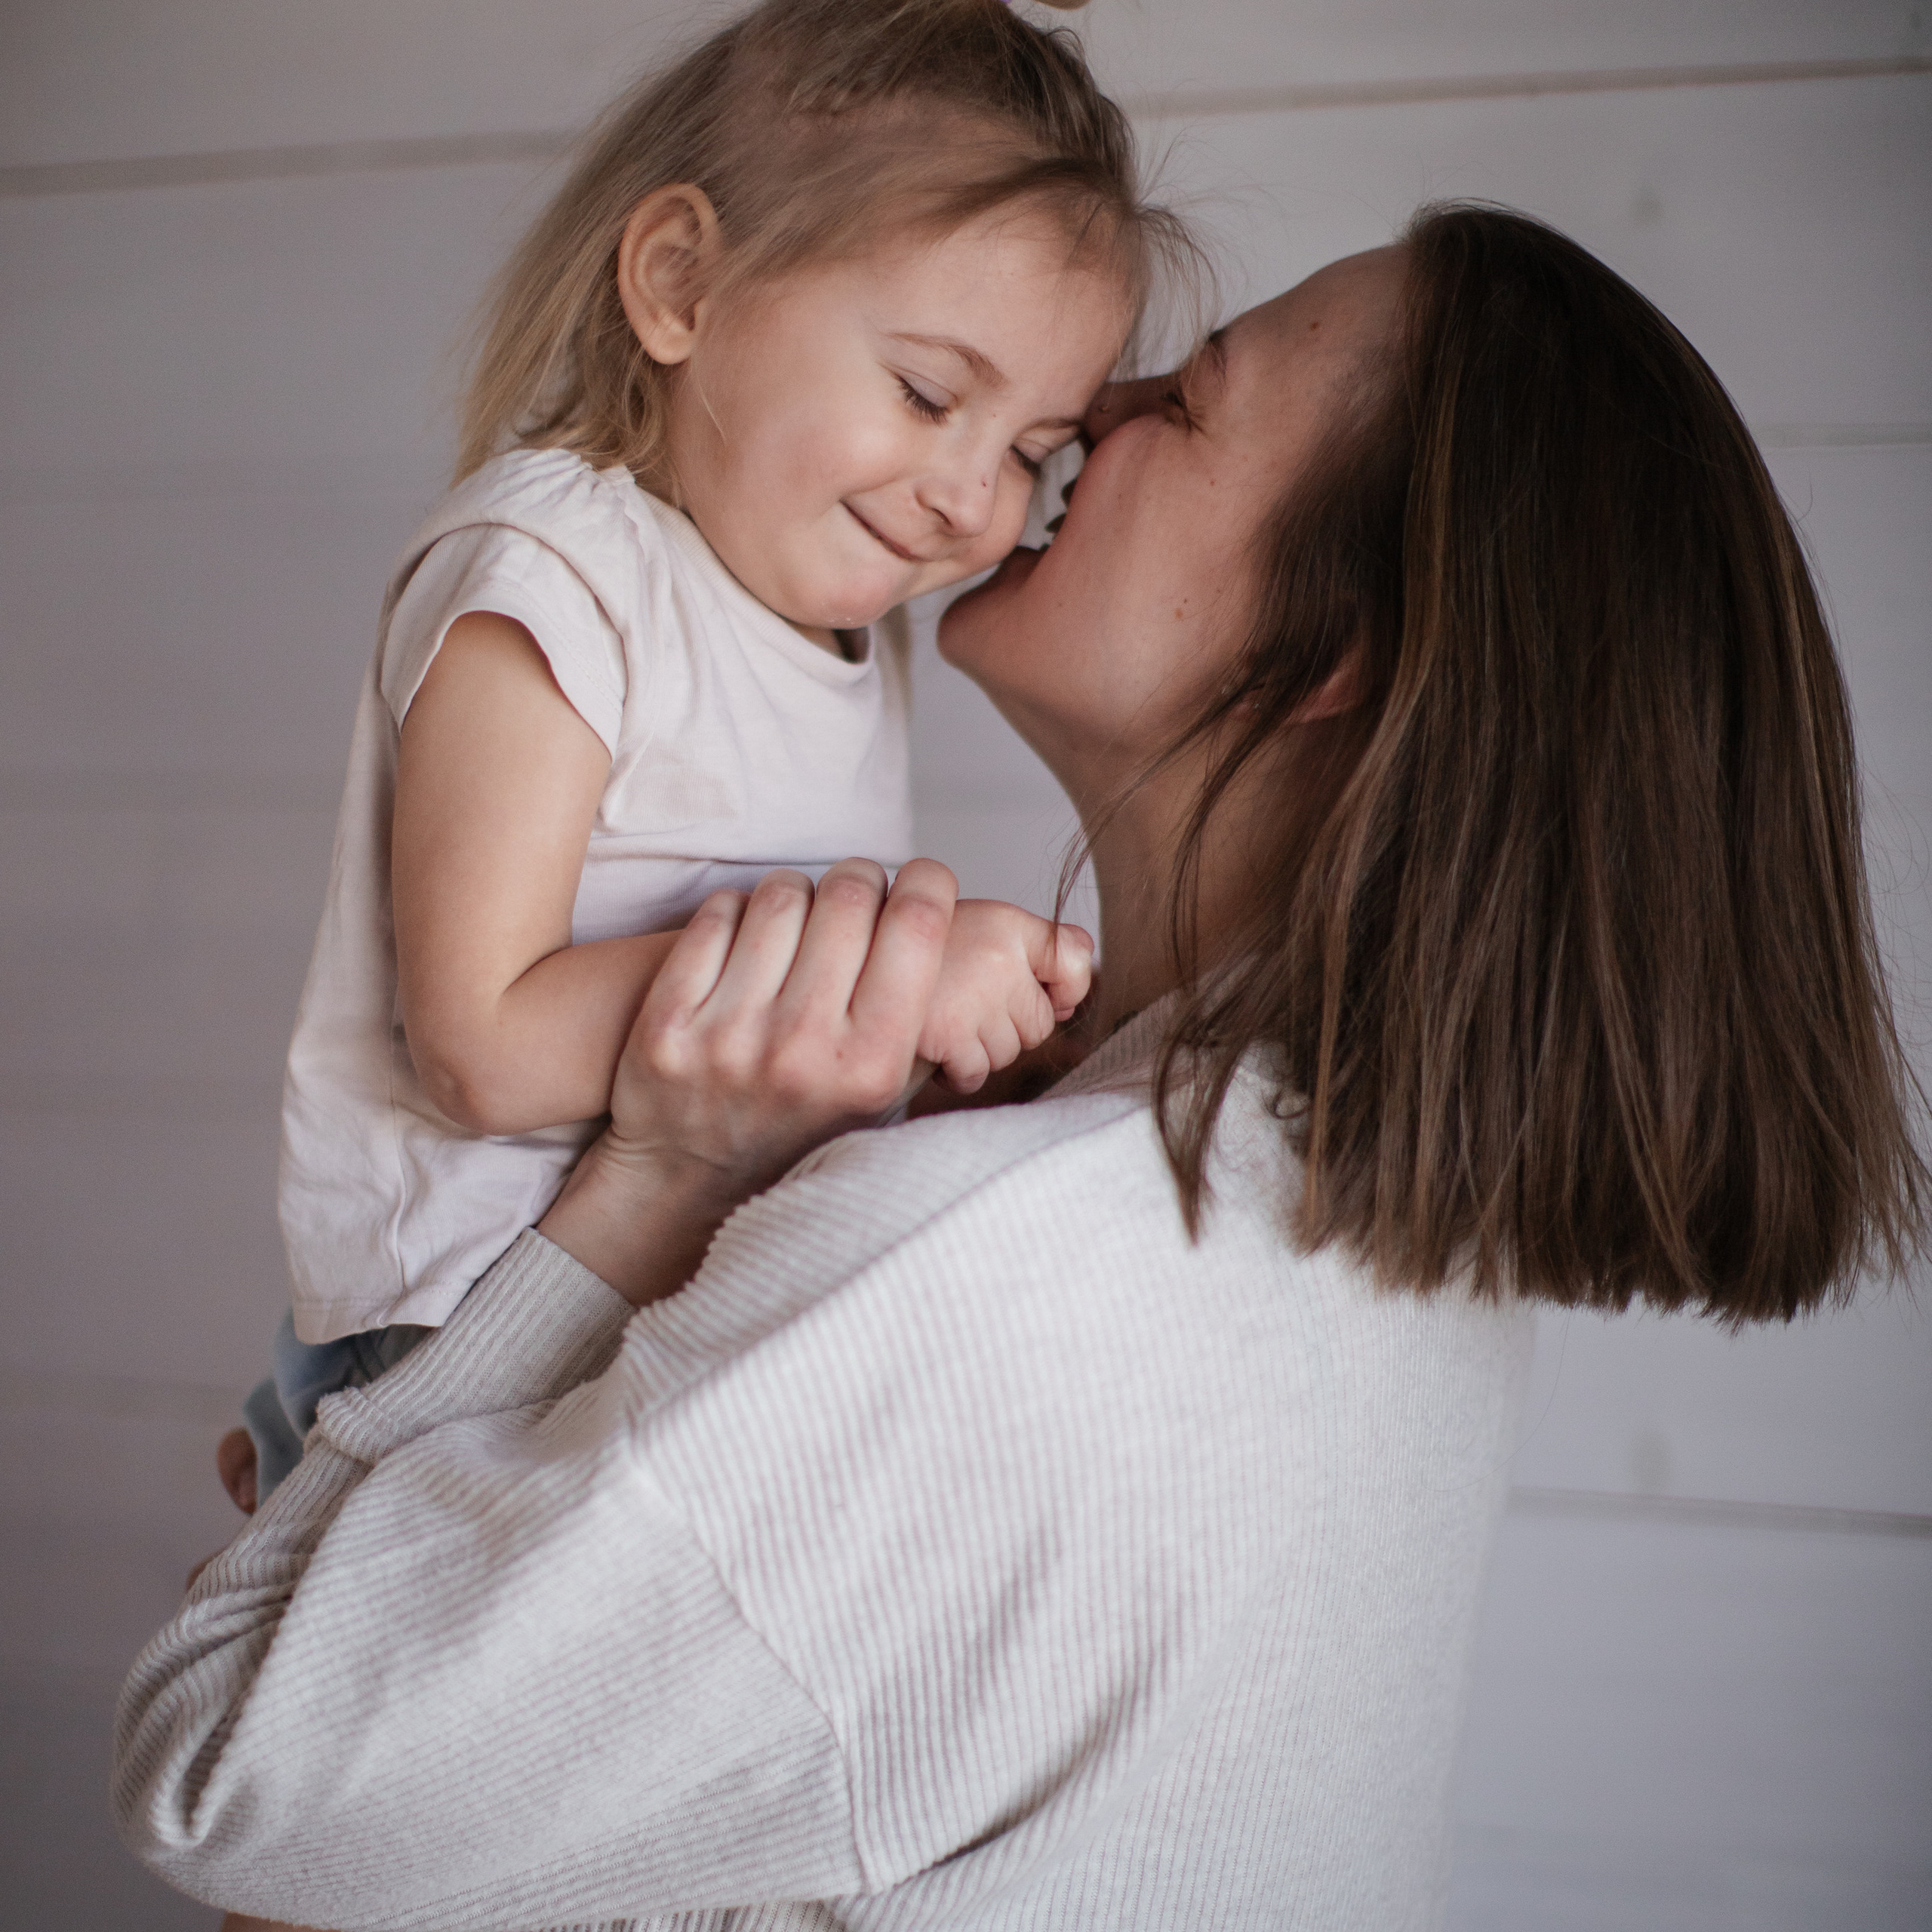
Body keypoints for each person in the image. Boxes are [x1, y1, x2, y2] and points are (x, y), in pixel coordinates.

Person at [116, 207, 1925, 1929]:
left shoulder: (999, 1277)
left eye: (1189, 396)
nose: (1095, 407)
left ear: (1332, 655)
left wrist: (656, 1189)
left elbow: (226, 1777)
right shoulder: (1358, 1216)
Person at [224, 0, 1189, 1510]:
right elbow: (482, 1044)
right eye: (930, 393)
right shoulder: (554, 573)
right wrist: (898, 966)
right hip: (459, 1329)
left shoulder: (827, 626)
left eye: (1028, 453)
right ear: (682, 283)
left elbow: (760, 1050)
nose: (967, 496)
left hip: (644, 1297)